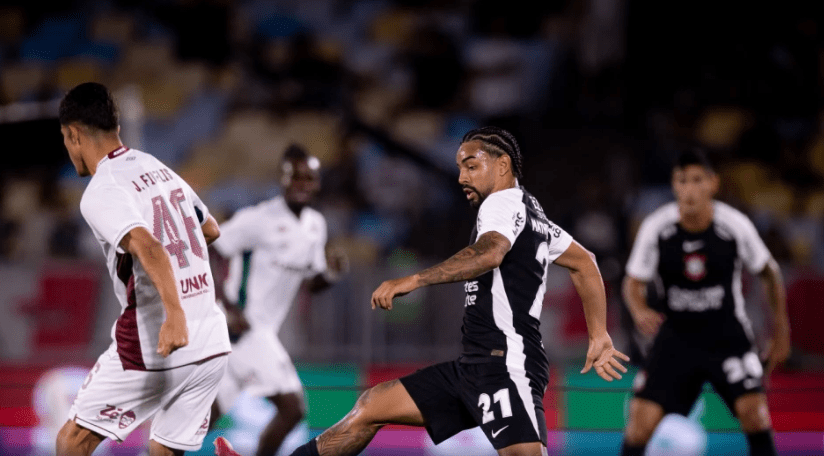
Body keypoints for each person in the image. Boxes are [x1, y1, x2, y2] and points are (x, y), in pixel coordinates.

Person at [258, 126, 627, 456]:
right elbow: (585, 262)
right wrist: (598, 334)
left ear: (502, 166)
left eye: (471, 165)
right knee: (372, 405)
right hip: (475, 365)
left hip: (505, 366)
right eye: (460, 168)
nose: (462, 177)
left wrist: (414, 280)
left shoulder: (500, 204)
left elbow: (491, 252)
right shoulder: (532, 213)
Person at [54, 82, 231, 456]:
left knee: (72, 442)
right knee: (164, 451)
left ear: (73, 135)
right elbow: (210, 229)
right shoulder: (157, 167)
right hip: (212, 342)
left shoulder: (102, 189)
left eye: (66, 141)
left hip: (155, 345)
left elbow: (148, 246)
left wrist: (175, 315)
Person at [619, 148, 791, 456]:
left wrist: (781, 333)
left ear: (712, 184)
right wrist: (639, 308)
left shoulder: (734, 225)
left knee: (755, 415)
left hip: (726, 336)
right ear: (674, 186)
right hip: (677, 338)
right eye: (682, 180)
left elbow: (770, 273)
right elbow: (633, 281)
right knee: (639, 424)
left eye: (697, 180)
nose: (689, 189)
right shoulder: (657, 227)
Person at [211, 144, 348, 456]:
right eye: (294, 177)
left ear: (317, 183)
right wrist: (228, 307)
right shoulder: (258, 218)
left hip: (261, 331)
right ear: (282, 179)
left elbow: (309, 284)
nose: (301, 184)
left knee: (208, 415)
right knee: (293, 407)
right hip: (243, 327)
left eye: (308, 178)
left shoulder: (316, 225)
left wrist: (330, 276)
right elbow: (212, 249)